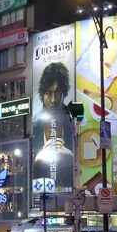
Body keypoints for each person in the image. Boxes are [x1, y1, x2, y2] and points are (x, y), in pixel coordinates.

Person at [32, 62, 74, 190]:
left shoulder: (73, 119)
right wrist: (38, 158)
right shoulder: (36, 123)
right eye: (48, 93)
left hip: (70, 191)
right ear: (42, 94)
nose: (54, 99)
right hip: (43, 192)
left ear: (64, 93)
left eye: (58, 92)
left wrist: (70, 156)